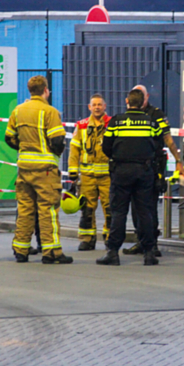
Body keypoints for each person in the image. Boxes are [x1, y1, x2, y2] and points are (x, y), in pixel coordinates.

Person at [5, 75, 73, 265]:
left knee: (25, 209)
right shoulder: (50, 112)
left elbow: (9, 138)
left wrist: (25, 150)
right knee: (48, 209)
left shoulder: (18, 111)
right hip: (45, 170)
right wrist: (54, 154)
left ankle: (21, 249)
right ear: (45, 90)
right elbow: (58, 140)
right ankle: (51, 252)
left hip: (24, 167)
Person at [96, 88, 163, 266]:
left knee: (119, 212)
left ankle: (112, 252)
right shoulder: (151, 122)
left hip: (121, 171)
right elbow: (159, 146)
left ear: (127, 101)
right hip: (144, 171)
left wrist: (119, 156)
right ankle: (149, 252)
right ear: (142, 103)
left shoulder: (116, 122)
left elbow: (106, 147)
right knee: (145, 212)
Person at [125, 84, 184, 256]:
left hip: (152, 166)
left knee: (149, 205)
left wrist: (179, 161)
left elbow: (168, 139)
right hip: (134, 167)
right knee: (135, 207)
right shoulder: (128, 116)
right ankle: (141, 241)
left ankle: (152, 243)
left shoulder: (156, 115)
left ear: (147, 98)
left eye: (142, 96)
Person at [68, 94, 112, 251]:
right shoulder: (81, 125)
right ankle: (87, 239)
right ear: (89, 107)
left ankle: (110, 238)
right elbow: (74, 149)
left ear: (105, 106)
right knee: (87, 208)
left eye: (100, 104)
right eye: (94, 104)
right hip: (87, 175)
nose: (97, 107)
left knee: (110, 208)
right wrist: (72, 171)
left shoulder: (111, 124)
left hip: (108, 175)